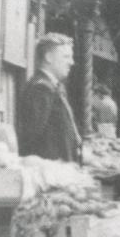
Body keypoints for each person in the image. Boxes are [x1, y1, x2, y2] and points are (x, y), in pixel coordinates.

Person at [17, 33, 81, 162]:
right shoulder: (41, 89)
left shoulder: (52, 87)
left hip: (59, 169)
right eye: (66, 57)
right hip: (50, 172)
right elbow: (31, 139)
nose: (72, 62)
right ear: (48, 57)